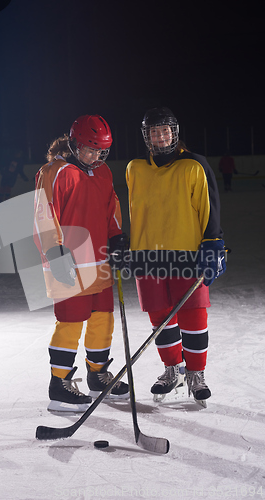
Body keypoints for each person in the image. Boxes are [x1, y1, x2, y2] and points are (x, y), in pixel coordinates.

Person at [126, 107, 226, 403]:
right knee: (160, 318)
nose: (160, 136)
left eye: (165, 130)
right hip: (148, 255)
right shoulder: (134, 168)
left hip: (187, 254)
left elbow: (210, 207)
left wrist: (212, 242)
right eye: (154, 131)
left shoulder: (194, 165)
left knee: (192, 316)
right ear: (147, 136)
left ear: (175, 132)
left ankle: (195, 374)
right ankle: (172, 369)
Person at [34, 115, 129, 412]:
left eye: (100, 151)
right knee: (71, 320)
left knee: (103, 318)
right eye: (89, 149)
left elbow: (111, 206)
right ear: (74, 144)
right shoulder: (54, 172)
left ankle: (98, 374)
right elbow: (43, 215)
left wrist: (116, 237)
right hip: (67, 262)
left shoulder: (102, 172)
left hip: (99, 262)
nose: (94, 156)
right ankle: (59, 382)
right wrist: (54, 251)